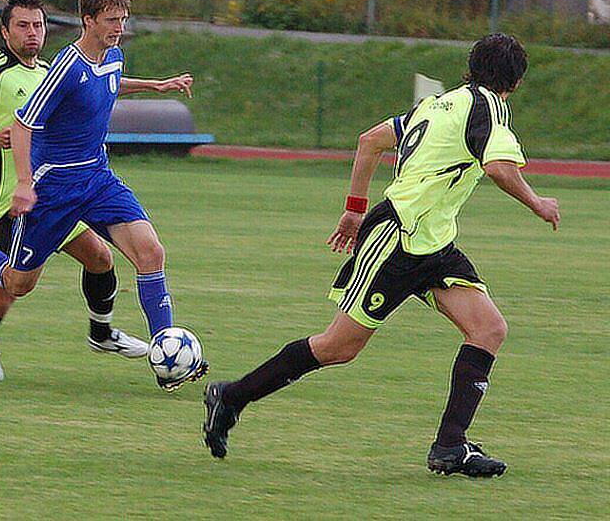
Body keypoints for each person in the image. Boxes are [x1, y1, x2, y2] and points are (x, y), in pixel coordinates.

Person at [203, 33, 560, 478]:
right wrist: (538, 203)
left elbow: (370, 140)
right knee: (338, 347)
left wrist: (354, 211)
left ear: (472, 66)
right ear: (517, 81)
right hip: (397, 241)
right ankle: (231, 396)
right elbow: (498, 167)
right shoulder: (490, 106)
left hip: (433, 244)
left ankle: (450, 447)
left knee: (488, 328)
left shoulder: (438, 104)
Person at [0, 0, 203, 390]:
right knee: (18, 284)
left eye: (122, 19)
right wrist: (23, 184)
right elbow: (21, 124)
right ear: (87, 20)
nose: (118, 27)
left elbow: (107, 84)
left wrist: (155, 85)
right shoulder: (66, 67)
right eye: (110, 20)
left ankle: (165, 354)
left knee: (150, 251)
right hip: (52, 190)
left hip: (97, 178)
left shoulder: (113, 56)